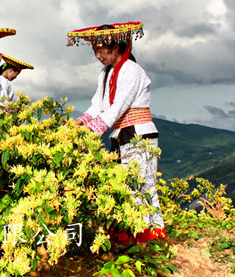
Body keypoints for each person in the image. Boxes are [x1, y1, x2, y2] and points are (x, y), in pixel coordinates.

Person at [67, 21, 165, 245]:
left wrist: (91, 131)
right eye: (96, 51)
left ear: (117, 48)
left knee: (142, 184)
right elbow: (97, 106)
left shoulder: (132, 70)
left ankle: (149, 239)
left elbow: (117, 107)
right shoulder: (105, 73)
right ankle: (130, 236)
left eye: (103, 50)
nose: (99, 55)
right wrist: (78, 124)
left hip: (139, 134)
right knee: (124, 185)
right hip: (121, 133)